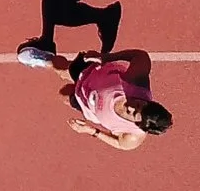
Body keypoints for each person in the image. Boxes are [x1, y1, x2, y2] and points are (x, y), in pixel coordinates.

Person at [16, 48, 172, 150]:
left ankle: (68, 82)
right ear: (146, 101)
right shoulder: (135, 81)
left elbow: (119, 143)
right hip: (90, 74)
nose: (130, 107)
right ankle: (45, 59)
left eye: (133, 114)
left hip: (87, 104)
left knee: (63, 94)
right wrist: (107, 57)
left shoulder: (133, 136)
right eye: (138, 104)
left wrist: (92, 131)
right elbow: (140, 55)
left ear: (139, 125)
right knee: (62, 69)